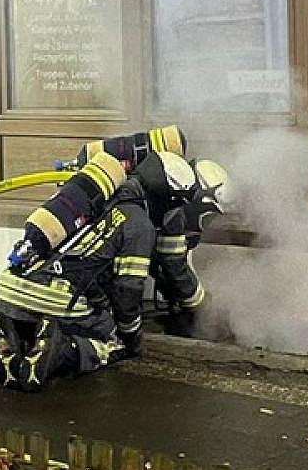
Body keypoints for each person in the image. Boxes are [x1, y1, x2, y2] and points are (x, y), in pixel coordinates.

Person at [0, 155, 155, 391]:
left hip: (10, 285)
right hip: (56, 296)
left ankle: (14, 337)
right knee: (111, 342)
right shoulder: (138, 222)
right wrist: (131, 335)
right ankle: (61, 349)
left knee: (44, 324)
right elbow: (128, 289)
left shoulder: (84, 204)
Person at [72, 127, 230, 336]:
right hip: (82, 291)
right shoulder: (173, 213)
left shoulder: (149, 194)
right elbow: (174, 267)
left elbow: (163, 265)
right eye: (207, 215)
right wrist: (202, 307)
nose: (206, 222)